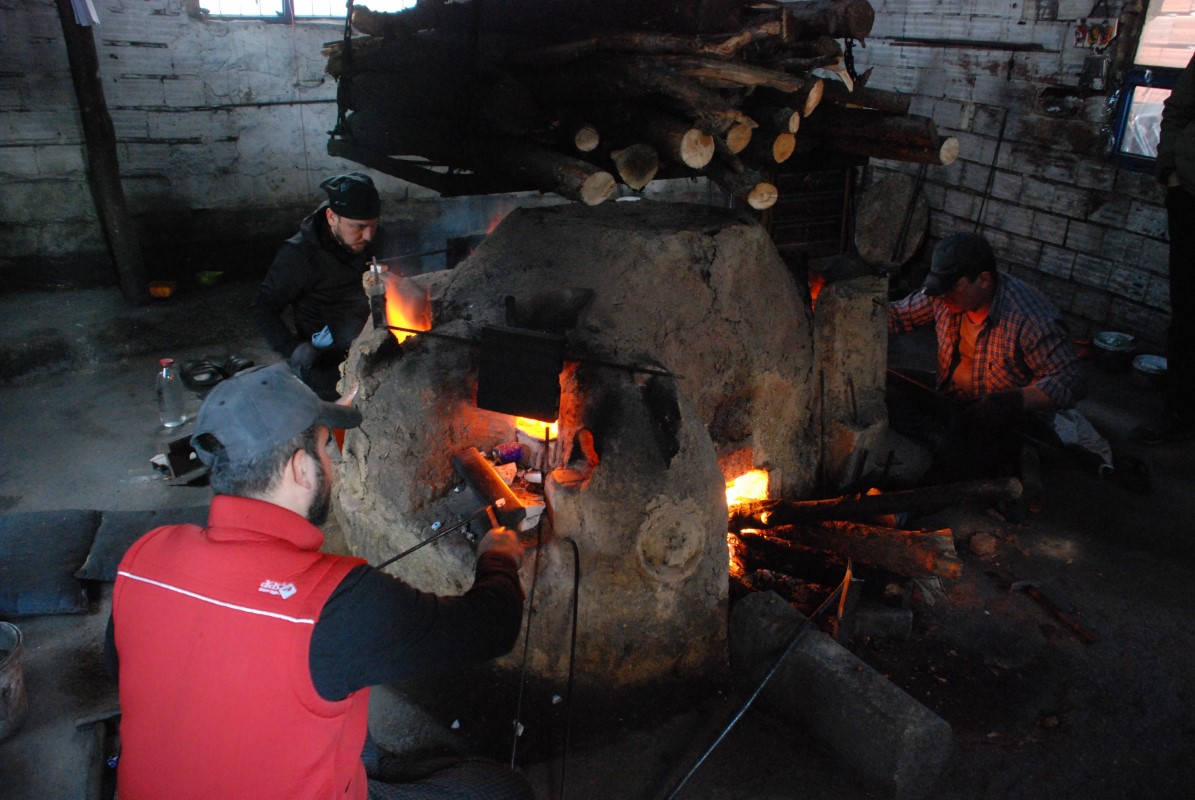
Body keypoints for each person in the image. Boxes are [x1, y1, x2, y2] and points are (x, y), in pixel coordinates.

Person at [104, 362, 533, 800]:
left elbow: (129, 669)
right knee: (502, 790)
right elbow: (491, 627)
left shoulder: (144, 554)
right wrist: (497, 557)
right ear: (300, 469)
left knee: (331, 713)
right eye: (327, 449)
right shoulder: (339, 602)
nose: (330, 464)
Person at [888, 232, 1089, 483]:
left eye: (951, 289)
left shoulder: (1028, 317)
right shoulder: (942, 295)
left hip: (999, 415)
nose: (941, 298)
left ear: (983, 280)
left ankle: (916, 497)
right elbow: (898, 316)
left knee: (968, 450)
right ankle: (945, 438)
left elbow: (1071, 379)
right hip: (950, 396)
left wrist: (1010, 401)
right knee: (888, 387)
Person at [252, 172, 397, 400]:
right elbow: (262, 306)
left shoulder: (377, 239)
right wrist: (291, 348)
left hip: (373, 343)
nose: (368, 236)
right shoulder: (300, 255)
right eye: (358, 227)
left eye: (374, 226)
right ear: (331, 217)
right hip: (327, 360)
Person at [1134, 53, 1195, 444]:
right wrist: (1170, 170)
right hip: (1191, 194)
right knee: (1189, 311)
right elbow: (1177, 108)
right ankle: (1179, 413)